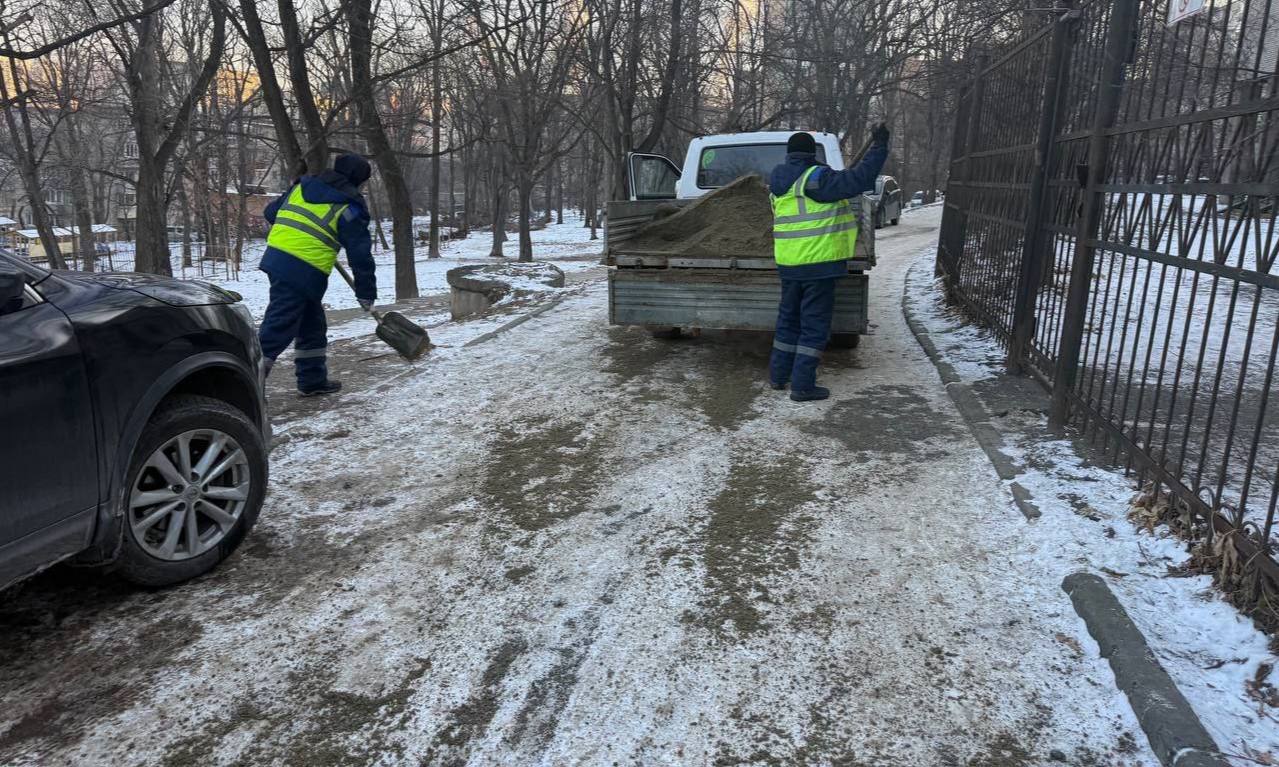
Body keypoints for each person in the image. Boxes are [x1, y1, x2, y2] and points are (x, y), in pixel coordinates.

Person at [767, 126, 890, 402]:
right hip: (818, 264)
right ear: (812, 154)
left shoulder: (777, 181)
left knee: (788, 322)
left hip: (788, 262)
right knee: (813, 326)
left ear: (789, 154)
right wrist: (880, 145)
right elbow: (861, 178)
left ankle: (778, 376)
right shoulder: (817, 179)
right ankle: (802, 386)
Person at [257, 154, 377, 397]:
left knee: (311, 324)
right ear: (358, 180)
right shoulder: (349, 206)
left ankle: (312, 380)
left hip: (277, 258)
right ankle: (247, 380)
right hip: (303, 267)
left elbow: (271, 212)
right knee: (279, 325)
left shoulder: (302, 186)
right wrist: (366, 293)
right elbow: (360, 255)